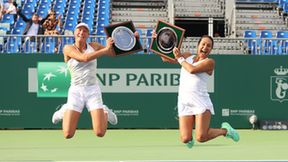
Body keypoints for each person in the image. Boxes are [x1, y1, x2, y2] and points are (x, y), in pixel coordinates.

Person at [155, 33, 240, 148]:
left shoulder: (210, 62)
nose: (205, 47)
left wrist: (180, 58)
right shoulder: (188, 56)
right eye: (203, 44)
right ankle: (189, 137)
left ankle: (225, 131)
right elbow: (165, 58)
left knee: (201, 137)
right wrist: (157, 41)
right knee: (185, 139)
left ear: (211, 49)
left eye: (208, 46)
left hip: (201, 102)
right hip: (184, 101)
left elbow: (192, 70)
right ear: (198, 45)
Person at [51, 22, 118, 139]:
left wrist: (132, 40)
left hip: (93, 89)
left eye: (85, 31)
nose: (81, 32)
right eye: (79, 30)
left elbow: (112, 53)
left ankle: (105, 111)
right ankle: (65, 109)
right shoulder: (68, 48)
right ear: (74, 33)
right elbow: (84, 58)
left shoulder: (94, 46)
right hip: (76, 91)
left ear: (88, 35)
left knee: (100, 133)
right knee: (68, 134)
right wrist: (105, 49)